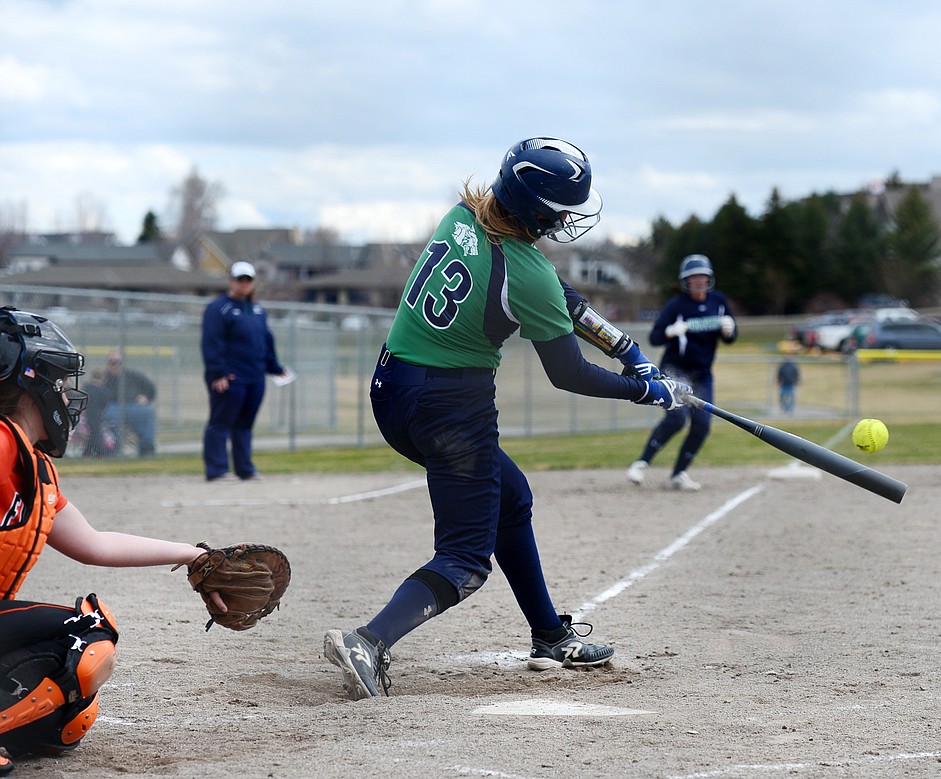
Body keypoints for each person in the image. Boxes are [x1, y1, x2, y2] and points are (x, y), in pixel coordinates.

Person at [322, 137, 689, 700]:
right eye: (561, 211)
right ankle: (368, 641)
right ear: (538, 211)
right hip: (452, 408)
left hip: (393, 388)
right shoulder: (528, 274)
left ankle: (547, 634)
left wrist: (627, 349)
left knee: (511, 496)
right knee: (466, 558)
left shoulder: (463, 214)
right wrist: (644, 390)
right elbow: (569, 374)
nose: (566, 220)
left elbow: (559, 295)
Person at [0, 306, 222, 773]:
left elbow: (96, 544)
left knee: (67, 713)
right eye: (57, 382)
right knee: (85, 638)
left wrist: (194, 555)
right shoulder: (1, 444)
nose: (64, 395)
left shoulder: (33, 467)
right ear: (29, 383)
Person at [626, 254, 737, 491]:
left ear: (709, 280)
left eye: (702, 278)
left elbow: (729, 337)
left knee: (702, 425)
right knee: (676, 418)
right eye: (693, 278)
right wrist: (670, 331)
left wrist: (730, 330)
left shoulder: (718, 301)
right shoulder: (676, 305)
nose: (698, 283)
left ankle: (678, 474)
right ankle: (642, 462)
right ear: (685, 282)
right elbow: (655, 337)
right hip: (675, 370)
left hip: (702, 374)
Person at [200, 261, 289, 481]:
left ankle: (245, 469)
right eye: (240, 279)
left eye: (248, 279)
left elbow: (265, 341)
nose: (244, 284)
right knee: (220, 423)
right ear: (231, 281)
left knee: (245, 425)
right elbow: (212, 342)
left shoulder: (258, 310)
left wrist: (275, 368)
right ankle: (217, 469)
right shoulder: (218, 308)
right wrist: (217, 373)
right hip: (231, 378)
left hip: (255, 377)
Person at [97, 350, 157, 457]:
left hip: (133, 407)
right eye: (112, 362)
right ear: (108, 364)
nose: (115, 365)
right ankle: (114, 448)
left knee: (146, 412)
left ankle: (146, 448)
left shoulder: (132, 376)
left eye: (118, 362)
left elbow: (151, 388)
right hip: (112, 407)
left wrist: (146, 397)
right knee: (110, 415)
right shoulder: (104, 378)